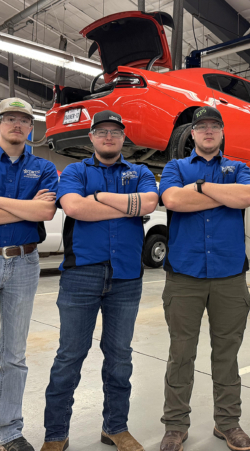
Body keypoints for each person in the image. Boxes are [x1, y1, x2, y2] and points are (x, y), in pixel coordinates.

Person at [41, 111, 158, 451]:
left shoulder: (141, 172)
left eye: (116, 132)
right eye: (102, 131)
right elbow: (75, 208)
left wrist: (100, 199)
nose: (109, 137)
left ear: (124, 138)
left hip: (127, 276)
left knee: (120, 356)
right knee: (70, 356)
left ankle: (115, 427)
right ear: (91, 137)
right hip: (81, 273)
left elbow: (150, 202)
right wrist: (126, 206)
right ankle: (55, 434)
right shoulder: (76, 171)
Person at [159, 106, 250, 451]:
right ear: (193, 134)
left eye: (215, 126)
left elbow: (246, 197)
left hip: (229, 276)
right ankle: (175, 426)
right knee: (180, 354)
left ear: (222, 132)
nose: (209, 131)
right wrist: (219, 194)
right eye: (202, 127)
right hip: (184, 275)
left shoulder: (240, 168)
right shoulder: (175, 168)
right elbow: (172, 199)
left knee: (226, 356)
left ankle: (227, 424)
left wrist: (198, 189)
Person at [0, 98, 58, 451]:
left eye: (24, 119)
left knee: (13, 354)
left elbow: (46, 211)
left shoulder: (45, 168)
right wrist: (27, 209)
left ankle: (9, 430)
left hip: (24, 263)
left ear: (31, 128)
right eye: (10, 118)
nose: (17, 124)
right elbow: (34, 209)